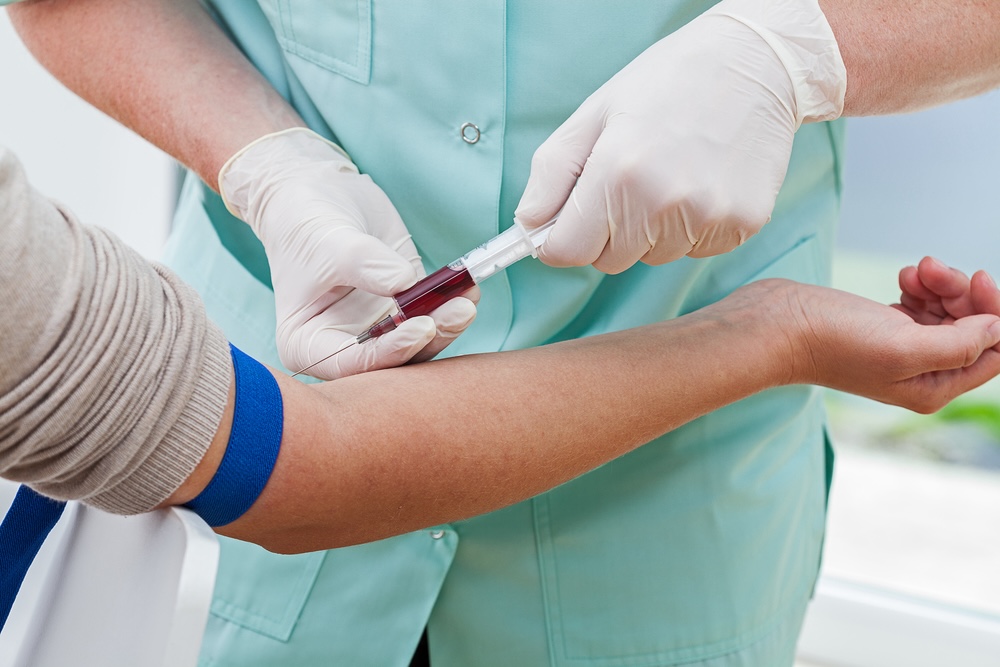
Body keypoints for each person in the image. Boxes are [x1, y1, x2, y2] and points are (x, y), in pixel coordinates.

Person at [6, 0, 1000, 664]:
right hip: (247, 453)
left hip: (664, 532)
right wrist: (264, 164)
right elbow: (306, 469)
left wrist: (794, 50)